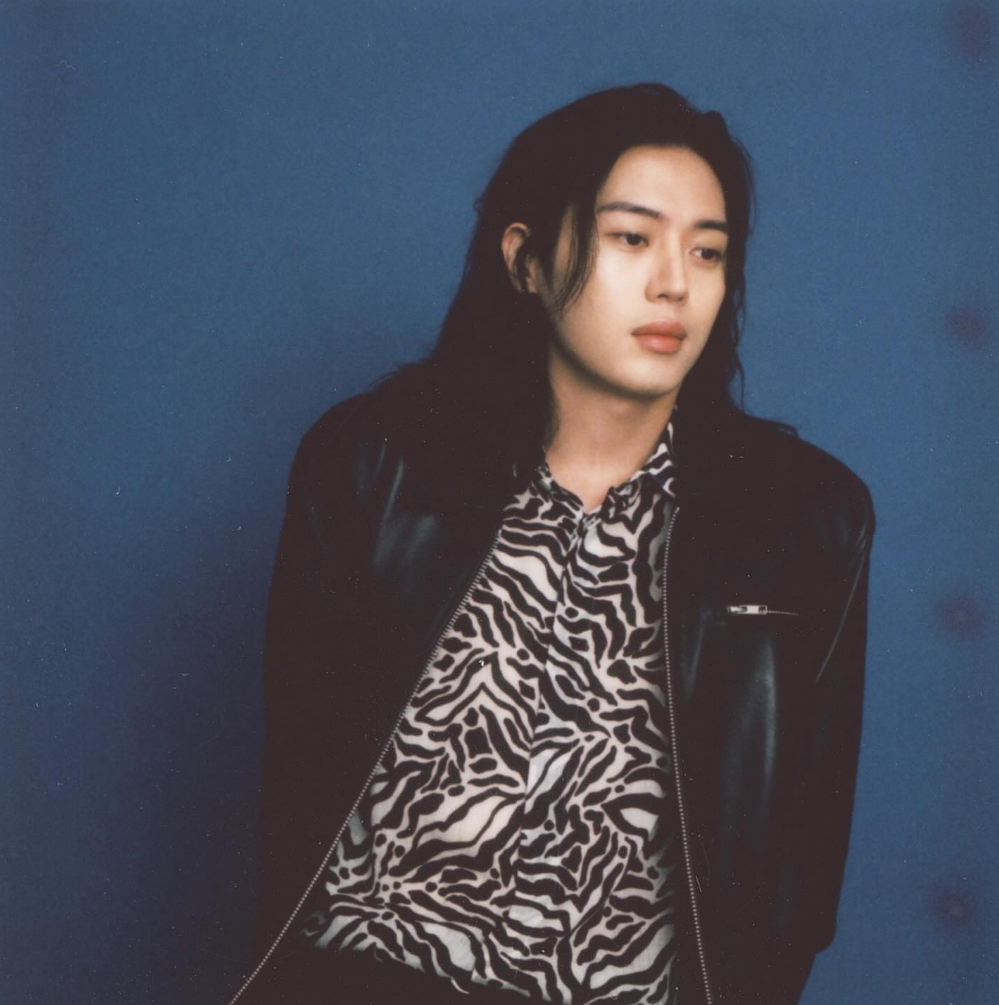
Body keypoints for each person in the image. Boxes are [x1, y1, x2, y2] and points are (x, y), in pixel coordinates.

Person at [226, 83, 874, 1005]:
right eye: (631, 238)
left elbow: (799, 876)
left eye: (707, 250)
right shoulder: (373, 465)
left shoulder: (806, 520)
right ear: (524, 261)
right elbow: (296, 787)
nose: (674, 283)